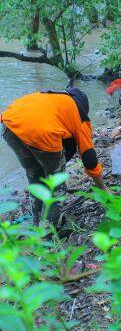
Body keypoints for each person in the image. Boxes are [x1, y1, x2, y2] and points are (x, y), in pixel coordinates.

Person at [1, 88, 106, 227]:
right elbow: (89, 158)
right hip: (41, 132)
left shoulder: (52, 97)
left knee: (35, 178)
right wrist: (103, 189)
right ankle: (47, 234)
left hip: (8, 124)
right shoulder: (79, 113)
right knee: (57, 187)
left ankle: (37, 224)